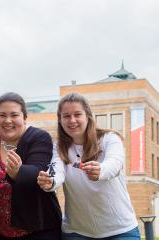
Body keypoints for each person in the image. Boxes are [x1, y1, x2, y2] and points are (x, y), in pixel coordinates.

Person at [37, 92, 140, 239]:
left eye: (77, 114)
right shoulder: (58, 147)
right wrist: (50, 181)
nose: (72, 120)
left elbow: (115, 163)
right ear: (60, 120)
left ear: (88, 116)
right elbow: (56, 170)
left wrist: (101, 170)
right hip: (77, 232)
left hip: (120, 230)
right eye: (66, 116)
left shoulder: (110, 139)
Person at [0, 92, 62, 240]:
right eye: (2, 115)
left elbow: (38, 171)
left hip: (37, 230)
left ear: (24, 117)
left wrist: (18, 172)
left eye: (14, 115)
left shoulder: (38, 137)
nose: (8, 120)